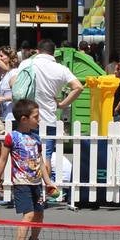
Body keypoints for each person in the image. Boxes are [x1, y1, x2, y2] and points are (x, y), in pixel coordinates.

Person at [0, 99, 56, 240]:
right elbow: (3, 160)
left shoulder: (36, 138)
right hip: (21, 183)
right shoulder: (12, 137)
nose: (39, 119)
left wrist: (48, 181)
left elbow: (40, 162)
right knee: (28, 215)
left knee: (39, 215)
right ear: (24, 119)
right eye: (36, 117)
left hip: (36, 184)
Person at [23, 39, 84, 171]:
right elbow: (78, 87)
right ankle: (46, 188)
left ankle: (30, 187)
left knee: (25, 155)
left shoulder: (27, 64)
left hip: (26, 118)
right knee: (46, 156)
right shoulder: (61, 69)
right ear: (53, 52)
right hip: (48, 119)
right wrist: (62, 104)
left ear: (38, 51)